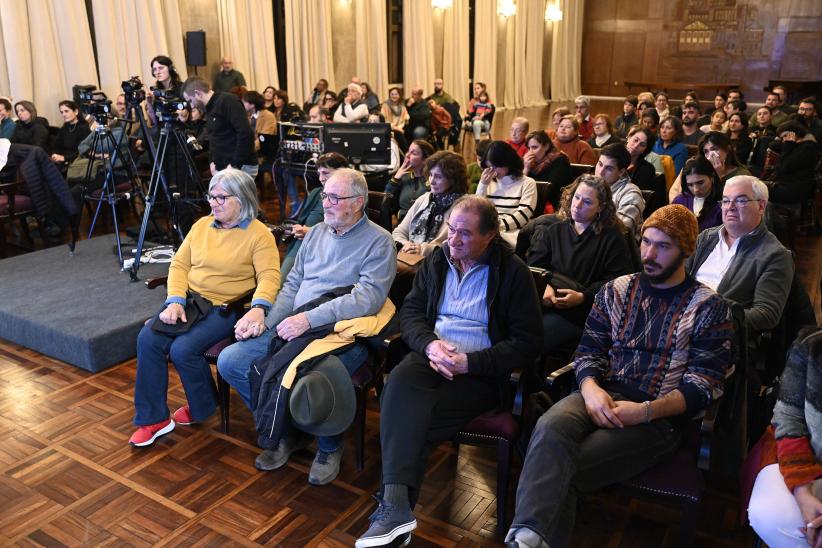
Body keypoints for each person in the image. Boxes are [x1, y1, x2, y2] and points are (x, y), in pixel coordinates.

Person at [504, 204, 733, 548]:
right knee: (548, 427)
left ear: (685, 250)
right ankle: (529, 538)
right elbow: (588, 350)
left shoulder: (708, 307)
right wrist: (591, 387)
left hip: (658, 416)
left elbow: (704, 385)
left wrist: (645, 411)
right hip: (601, 392)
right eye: (646, 241)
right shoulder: (617, 290)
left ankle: (526, 538)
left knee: (563, 467)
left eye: (663, 246)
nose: (649, 254)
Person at [356, 195, 543, 548]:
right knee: (398, 380)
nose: (453, 240)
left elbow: (527, 342)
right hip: (434, 355)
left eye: (465, 234)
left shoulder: (513, 272)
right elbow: (410, 314)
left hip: (481, 371)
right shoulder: (438, 260)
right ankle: (396, 510)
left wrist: (470, 362)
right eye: (451, 229)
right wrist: (429, 344)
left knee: (412, 420)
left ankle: (394, 511)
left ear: (491, 236)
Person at [217, 168, 396, 485]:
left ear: (357, 203)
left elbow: (366, 300)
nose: (325, 203)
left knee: (313, 376)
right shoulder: (315, 234)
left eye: (334, 197)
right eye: (325, 194)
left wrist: (307, 319)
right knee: (231, 361)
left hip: (342, 333)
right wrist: (268, 321)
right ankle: (288, 429)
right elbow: (292, 285)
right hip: (296, 323)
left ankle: (329, 446)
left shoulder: (379, 242)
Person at [128, 168, 280, 447]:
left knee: (182, 349)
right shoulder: (201, 226)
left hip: (226, 307)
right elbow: (179, 265)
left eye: (221, 197)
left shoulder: (259, 235)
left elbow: (270, 276)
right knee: (148, 339)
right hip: (190, 301)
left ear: (242, 198)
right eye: (212, 196)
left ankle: (203, 406)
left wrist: (259, 307)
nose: (213, 203)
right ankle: (154, 419)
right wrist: (174, 299)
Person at [525, 175, 634, 353]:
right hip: (545, 302)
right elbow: (535, 267)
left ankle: (534, 379)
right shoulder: (553, 229)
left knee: (531, 340)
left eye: (587, 202)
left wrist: (583, 297)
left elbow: (617, 283)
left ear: (600, 207)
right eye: (576, 197)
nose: (577, 205)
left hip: (583, 311)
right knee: (508, 329)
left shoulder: (613, 239)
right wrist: (544, 287)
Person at [687, 175, 793, 334]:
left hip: (722, 338)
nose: (730, 207)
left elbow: (766, 315)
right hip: (681, 321)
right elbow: (681, 277)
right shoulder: (706, 238)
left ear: (761, 206)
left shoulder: (775, 255)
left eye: (741, 200)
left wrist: (714, 317)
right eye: (726, 200)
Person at [748, 327, 822, 548]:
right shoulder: (811, 345)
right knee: (772, 516)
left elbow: (765, 314)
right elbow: (789, 414)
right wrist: (800, 486)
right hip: (808, 454)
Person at [280, 153, 349, 280]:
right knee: (279, 286)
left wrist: (313, 232)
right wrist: (298, 229)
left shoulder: (352, 198)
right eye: (319, 174)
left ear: (342, 173)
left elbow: (348, 234)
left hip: (327, 251)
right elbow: (304, 220)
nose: (321, 178)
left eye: (326, 173)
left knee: (286, 286)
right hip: (302, 245)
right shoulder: (317, 193)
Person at [393, 150, 467, 257]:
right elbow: (399, 232)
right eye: (431, 175)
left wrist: (423, 250)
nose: (431, 181)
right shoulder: (424, 198)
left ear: (453, 180)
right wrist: (407, 245)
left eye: (438, 177)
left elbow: (456, 246)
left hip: (439, 265)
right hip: (410, 258)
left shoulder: (463, 207)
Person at [182, 76, 256, 177]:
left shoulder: (228, 100)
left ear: (198, 93)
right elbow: (214, 138)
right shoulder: (209, 108)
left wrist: (234, 165)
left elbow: (246, 134)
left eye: (190, 101)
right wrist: (212, 162)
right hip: (224, 167)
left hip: (240, 166)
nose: (191, 106)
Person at [476, 140, 538, 247]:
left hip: (512, 232)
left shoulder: (527, 183)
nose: (493, 171)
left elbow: (523, 216)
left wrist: (496, 227)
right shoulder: (488, 182)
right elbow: (476, 210)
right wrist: (482, 185)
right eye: (489, 167)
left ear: (507, 162)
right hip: (487, 230)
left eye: (495, 167)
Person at [668, 131, 750, 202]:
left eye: (714, 149)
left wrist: (718, 175)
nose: (710, 155)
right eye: (706, 151)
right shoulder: (694, 166)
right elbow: (674, 192)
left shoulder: (742, 175)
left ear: (727, 149)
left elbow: (724, 203)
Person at [596, 143, 644, 241]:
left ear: (621, 172)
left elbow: (619, 231)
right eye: (600, 164)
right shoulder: (589, 185)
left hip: (618, 249)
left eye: (608, 168)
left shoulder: (631, 194)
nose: (600, 172)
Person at [767, 120, 819, 205]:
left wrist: (788, 145)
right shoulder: (795, 146)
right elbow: (780, 166)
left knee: (757, 191)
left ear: (794, 133)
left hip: (796, 190)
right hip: (786, 185)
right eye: (782, 138)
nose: (784, 140)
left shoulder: (807, 147)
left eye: (785, 136)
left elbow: (784, 167)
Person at [384, 140, 435, 221]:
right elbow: (385, 201)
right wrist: (395, 179)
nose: (407, 155)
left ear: (425, 160)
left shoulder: (433, 181)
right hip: (402, 225)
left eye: (413, 153)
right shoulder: (403, 178)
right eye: (408, 151)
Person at [523, 130, 573, 210]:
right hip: (533, 202)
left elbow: (549, 190)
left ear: (546, 146)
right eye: (529, 148)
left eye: (534, 147)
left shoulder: (560, 160)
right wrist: (526, 169)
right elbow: (520, 187)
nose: (530, 152)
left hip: (554, 205)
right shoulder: (531, 164)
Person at [672, 156, 723, 232]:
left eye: (700, 183)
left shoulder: (723, 203)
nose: (696, 190)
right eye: (690, 185)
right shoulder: (680, 201)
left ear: (712, 177)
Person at [146, 55, 183, 125]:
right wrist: (150, 104)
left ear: (170, 69)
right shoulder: (156, 92)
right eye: (155, 69)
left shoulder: (182, 88)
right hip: (163, 130)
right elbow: (156, 121)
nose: (157, 72)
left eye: (161, 68)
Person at [50, 100, 90, 165]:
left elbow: (82, 151)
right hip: (63, 160)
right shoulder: (65, 127)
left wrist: (65, 158)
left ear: (76, 112)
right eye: (61, 112)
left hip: (75, 162)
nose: (63, 114)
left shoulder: (84, 128)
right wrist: (55, 155)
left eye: (66, 111)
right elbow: (57, 145)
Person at [625, 126, 657, 193]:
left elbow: (636, 194)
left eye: (642, 145)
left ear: (645, 150)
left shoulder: (647, 169)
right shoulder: (612, 158)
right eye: (635, 140)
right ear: (628, 138)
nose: (636, 145)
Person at [381, 87, 410, 152]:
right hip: (389, 127)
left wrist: (399, 127)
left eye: (396, 94)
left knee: (409, 132)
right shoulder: (385, 105)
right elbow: (384, 120)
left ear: (399, 95)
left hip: (400, 126)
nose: (394, 96)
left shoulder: (402, 105)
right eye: (392, 94)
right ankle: (407, 152)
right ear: (389, 95)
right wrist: (397, 128)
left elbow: (404, 118)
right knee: (399, 134)